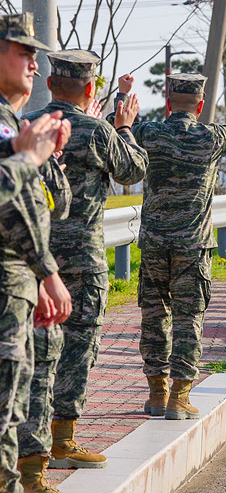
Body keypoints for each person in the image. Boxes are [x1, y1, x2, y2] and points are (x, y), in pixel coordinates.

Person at [22, 56, 148, 479]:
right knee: (77, 350)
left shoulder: (26, 124)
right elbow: (133, 169)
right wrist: (124, 126)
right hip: (83, 261)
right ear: (92, 90)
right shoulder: (98, 130)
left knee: (35, 354)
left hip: (36, 259)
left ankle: (31, 452)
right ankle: (62, 439)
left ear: (51, 82)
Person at [133, 71, 226, 420]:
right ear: (201, 103)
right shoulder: (211, 136)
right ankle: (180, 397)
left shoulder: (149, 133)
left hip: (154, 245)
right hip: (192, 246)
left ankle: (156, 394)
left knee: (153, 316)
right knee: (188, 318)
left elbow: (121, 131)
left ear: (167, 101)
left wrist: (123, 96)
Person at [0, 12, 73, 493]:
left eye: (34, 53)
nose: (33, 60)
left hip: (17, 282)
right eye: (22, 50)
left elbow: (37, 205)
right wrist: (46, 272)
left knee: (9, 413)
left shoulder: (12, 122)